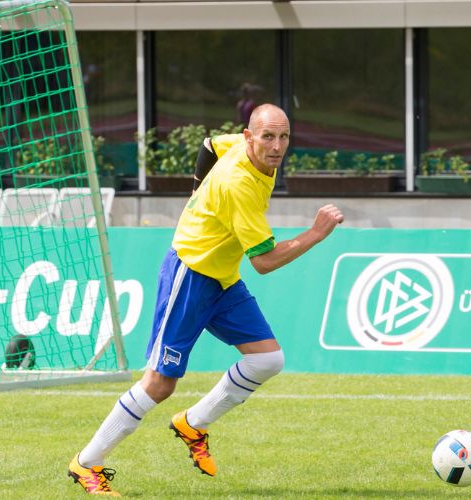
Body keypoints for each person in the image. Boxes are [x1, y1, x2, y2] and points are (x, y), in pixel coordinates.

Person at [67, 104, 344, 495]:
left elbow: (208, 144)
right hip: (190, 273)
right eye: (268, 137)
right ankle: (86, 463)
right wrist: (315, 233)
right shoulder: (238, 184)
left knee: (267, 359)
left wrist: (196, 190)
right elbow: (263, 262)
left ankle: (192, 424)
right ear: (250, 137)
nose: (277, 146)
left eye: (283, 137)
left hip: (221, 276)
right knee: (160, 384)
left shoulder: (243, 148)